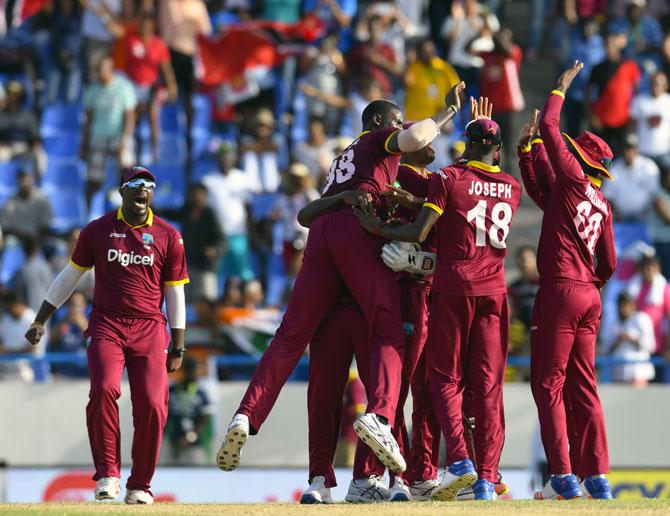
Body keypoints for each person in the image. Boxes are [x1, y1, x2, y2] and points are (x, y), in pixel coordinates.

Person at [217, 83, 467, 476]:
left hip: (321, 238)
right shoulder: (377, 140)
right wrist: (447, 113)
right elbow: (418, 135)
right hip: (354, 236)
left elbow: (309, 213)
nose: (401, 127)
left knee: (289, 337)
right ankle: (381, 417)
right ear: (381, 122)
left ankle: (246, 416)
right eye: (396, 120)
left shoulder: (345, 159)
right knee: (387, 327)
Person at [353, 114, 522, 501]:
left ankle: (449, 467)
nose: (434, 145)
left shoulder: (445, 179)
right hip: (479, 292)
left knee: (437, 385)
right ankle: (469, 477)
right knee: (472, 388)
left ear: (466, 144)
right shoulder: (511, 186)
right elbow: (454, 208)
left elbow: (428, 224)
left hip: (447, 290)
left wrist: (394, 239)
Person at [24, 166, 189, 505]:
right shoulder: (98, 230)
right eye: (136, 184)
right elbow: (70, 276)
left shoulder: (168, 235)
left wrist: (179, 344)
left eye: (150, 186)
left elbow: (175, 293)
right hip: (107, 325)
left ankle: (140, 485)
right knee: (103, 390)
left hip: (149, 327)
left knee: (154, 405)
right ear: (122, 191)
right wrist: (41, 319)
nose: (144, 190)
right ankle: (108, 475)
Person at [531, 61, 617, 501]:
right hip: (589, 296)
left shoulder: (571, 177)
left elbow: (549, 124)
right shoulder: (600, 203)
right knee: (585, 387)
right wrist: (530, 155)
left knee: (548, 384)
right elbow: (610, 262)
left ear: (579, 157)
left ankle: (563, 475)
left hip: (561, 291)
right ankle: (597, 476)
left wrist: (560, 88)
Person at [81, 56, 137, 203]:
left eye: (103, 70)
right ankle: (91, 208)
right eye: (98, 70)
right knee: (94, 176)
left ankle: (126, 202)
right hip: (98, 136)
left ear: (111, 70)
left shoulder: (123, 87)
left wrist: (125, 141)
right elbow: (88, 119)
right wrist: (84, 143)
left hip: (118, 135)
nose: (100, 73)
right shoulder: (93, 90)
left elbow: (130, 117)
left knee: (127, 167)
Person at [202, 141, 259, 283]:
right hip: (218, 237)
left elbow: (248, 207)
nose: (225, 159)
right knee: (218, 273)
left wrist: (251, 231)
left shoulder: (243, 179)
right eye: (222, 156)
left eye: (229, 155)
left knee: (243, 272)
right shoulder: (208, 181)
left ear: (234, 158)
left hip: (239, 234)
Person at [161, 183, 224, 303]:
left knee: (206, 302)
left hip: (205, 267)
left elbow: (221, 239)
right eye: (193, 194)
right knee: (187, 303)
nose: (195, 197)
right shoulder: (186, 211)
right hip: (188, 265)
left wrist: (214, 250)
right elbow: (170, 214)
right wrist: (153, 209)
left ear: (205, 196)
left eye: (198, 194)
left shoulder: (209, 214)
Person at [585, 26, 640, 155]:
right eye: (606, 44)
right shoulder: (597, 69)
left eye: (611, 44)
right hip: (601, 122)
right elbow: (587, 94)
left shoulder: (629, 65)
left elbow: (637, 93)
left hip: (623, 122)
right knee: (600, 158)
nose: (609, 47)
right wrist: (591, 116)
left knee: (619, 157)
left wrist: (633, 116)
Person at [600, 292, 655, 386]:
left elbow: (651, 346)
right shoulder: (612, 323)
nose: (624, 308)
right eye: (622, 304)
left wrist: (632, 339)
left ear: (633, 305)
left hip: (638, 373)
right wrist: (618, 341)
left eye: (627, 304)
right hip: (618, 374)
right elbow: (605, 350)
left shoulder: (641, 318)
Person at [166, 357, 213, 464]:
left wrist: (189, 438)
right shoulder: (172, 390)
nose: (198, 373)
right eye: (195, 370)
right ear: (187, 370)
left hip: (194, 445)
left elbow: (205, 420)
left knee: (195, 476)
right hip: (173, 442)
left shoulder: (201, 393)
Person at [603, 133, 659, 222]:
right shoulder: (614, 169)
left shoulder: (649, 167)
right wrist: (618, 215)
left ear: (637, 149)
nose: (629, 152)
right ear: (622, 150)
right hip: (619, 219)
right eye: (626, 148)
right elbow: (608, 197)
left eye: (632, 148)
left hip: (644, 218)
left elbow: (654, 195)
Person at [404, 38, 460, 121]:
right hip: (415, 118)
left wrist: (448, 114)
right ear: (418, 52)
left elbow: (457, 89)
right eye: (424, 51)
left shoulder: (443, 67)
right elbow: (407, 82)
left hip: (437, 118)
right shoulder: (414, 67)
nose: (427, 54)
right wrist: (409, 64)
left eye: (430, 51)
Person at [0, 170, 53, 248]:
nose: (24, 184)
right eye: (22, 180)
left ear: (33, 180)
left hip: (39, 239)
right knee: (10, 242)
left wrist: (38, 240)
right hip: (19, 239)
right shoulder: (11, 203)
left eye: (27, 180)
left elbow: (47, 225)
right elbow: (5, 228)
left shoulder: (42, 200)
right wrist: (24, 235)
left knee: (58, 246)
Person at [630, 71, 670, 169]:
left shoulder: (668, 101)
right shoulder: (639, 100)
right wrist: (633, 145)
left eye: (659, 84)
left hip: (665, 151)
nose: (656, 86)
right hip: (644, 151)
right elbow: (631, 126)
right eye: (654, 83)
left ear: (665, 86)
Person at [49, 291, 89, 378]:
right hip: (62, 372)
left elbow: (95, 342)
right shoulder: (60, 317)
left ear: (84, 305)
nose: (75, 308)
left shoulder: (91, 317)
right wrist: (64, 322)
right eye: (72, 305)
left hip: (84, 372)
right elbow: (50, 339)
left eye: (79, 305)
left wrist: (82, 325)